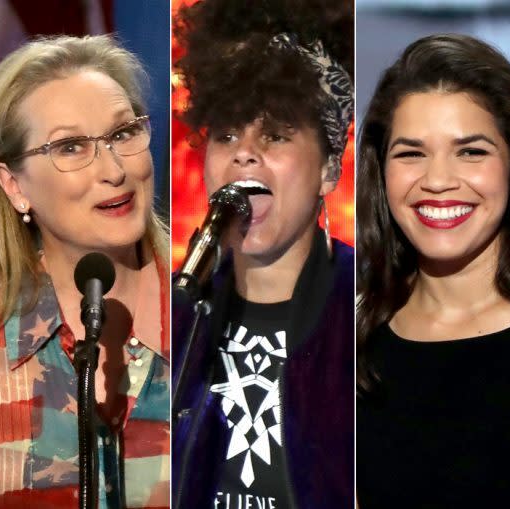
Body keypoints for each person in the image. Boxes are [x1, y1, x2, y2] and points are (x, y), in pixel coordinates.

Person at [172, 1, 354, 508]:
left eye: (274, 135)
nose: (244, 152)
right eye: (226, 134)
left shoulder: (372, 304)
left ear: (328, 170)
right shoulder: (174, 313)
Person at [356, 34, 510, 508]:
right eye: (411, 153)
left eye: (471, 151)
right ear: (381, 171)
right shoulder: (353, 341)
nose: (437, 181)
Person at [0, 35, 170, 509]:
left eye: (123, 134)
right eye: (70, 147)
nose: (113, 170)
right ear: (14, 186)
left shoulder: (215, 321)